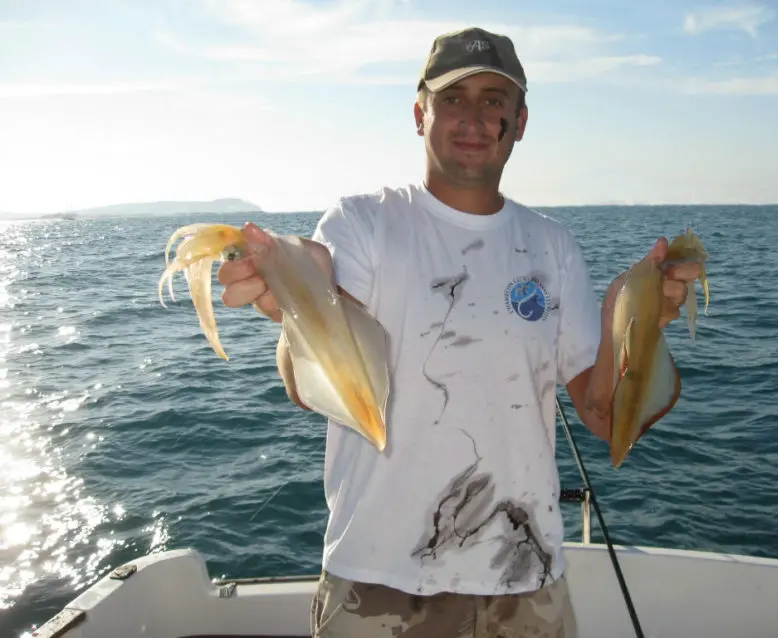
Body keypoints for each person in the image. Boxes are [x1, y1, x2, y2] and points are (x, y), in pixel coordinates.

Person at [218, 26, 700, 638]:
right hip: (377, 582)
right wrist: (301, 302)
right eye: (452, 99)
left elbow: (606, 417)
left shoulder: (554, 247)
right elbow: (311, 378)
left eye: (493, 101)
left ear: (519, 122)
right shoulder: (363, 223)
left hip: (526, 583)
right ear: (420, 114)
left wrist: (632, 325)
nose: (472, 117)